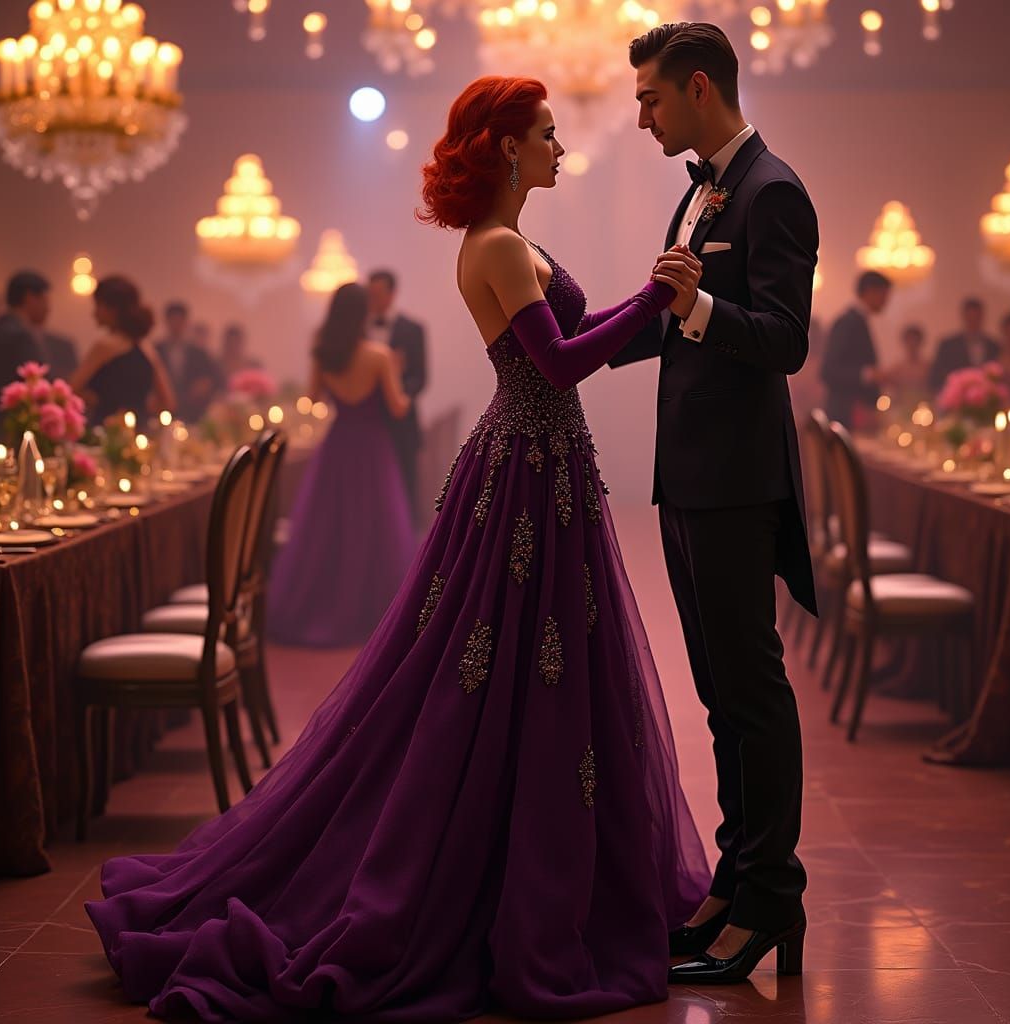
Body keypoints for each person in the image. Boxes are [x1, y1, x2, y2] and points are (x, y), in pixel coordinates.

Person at [86, 75, 711, 1021]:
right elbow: (558, 364)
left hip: (545, 467)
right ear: (507, 147)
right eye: (547, 134)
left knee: (535, 670)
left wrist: (659, 309)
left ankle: (548, 875)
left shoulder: (515, 241)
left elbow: (577, 335)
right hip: (526, 473)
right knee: (493, 673)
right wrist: (655, 298)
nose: (561, 147)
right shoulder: (496, 245)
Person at [610, 22, 816, 984]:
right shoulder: (698, 189)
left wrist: (693, 306)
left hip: (737, 482)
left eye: (650, 98)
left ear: (699, 88)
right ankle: (735, 884)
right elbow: (672, 319)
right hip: (689, 478)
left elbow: (783, 340)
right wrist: (569, 341)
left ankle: (773, 898)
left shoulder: (774, 191)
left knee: (753, 694)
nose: (641, 117)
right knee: (719, 695)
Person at [266, 283, 418, 647]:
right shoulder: (379, 356)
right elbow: (398, 408)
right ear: (363, 313)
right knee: (374, 526)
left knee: (329, 528)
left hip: (337, 446)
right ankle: (375, 614)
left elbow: (312, 398)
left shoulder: (325, 354)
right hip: (372, 448)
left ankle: (322, 606)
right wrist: (400, 376)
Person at [366, 269, 428, 525]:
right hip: (367, 422)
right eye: (370, 294)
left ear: (392, 294)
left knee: (404, 488)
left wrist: (396, 388)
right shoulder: (358, 329)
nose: (373, 299)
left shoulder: (413, 329)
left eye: (378, 294)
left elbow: (420, 379)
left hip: (402, 424)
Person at [71, 276, 175, 426]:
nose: (94, 313)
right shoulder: (147, 349)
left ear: (113, 309)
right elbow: (168, 402)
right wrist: (139, 408)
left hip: (105, 430)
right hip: (138, 431)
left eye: (98, 306)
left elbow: (70, 389)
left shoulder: (105, 346)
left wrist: (93, 399)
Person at [820, 270, 891, 428]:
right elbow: (828, 370)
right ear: (870, 291)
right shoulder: (848, 322)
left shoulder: (859, 321)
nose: (886, 301)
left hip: (854, 415)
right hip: (846, 414)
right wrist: (869, 374)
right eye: (884, 294)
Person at [0, 271, 78, 405]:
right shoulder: (20, 336)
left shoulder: (0, 328)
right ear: (30, 298)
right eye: (45, 300)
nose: (48, 308)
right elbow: (41, 382)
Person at [154, 301, 226, 422]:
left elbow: (215, 379)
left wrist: (205, 385)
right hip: (161, 411)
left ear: (186, 322)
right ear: (166, 321)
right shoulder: (156, 351)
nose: (176, 325)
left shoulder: (199, 354)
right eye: (173, 320)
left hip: (192, 414)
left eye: (179, 321)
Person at [929, 296, 1001, 395]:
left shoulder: (994, 345)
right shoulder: (948, 345)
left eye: (976, 317)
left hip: (988, 399)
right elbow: (937, 376)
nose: (973, 321)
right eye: (970, 317)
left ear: (982, 317)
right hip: (956, 399)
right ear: (963, 317)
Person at [881, 323, 931, 409]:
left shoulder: (928, 367)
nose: (912, 344)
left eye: (915, 340)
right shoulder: (897, 368)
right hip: (902, 409)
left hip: (924, 409)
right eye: (909, 340)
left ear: (920, 342)